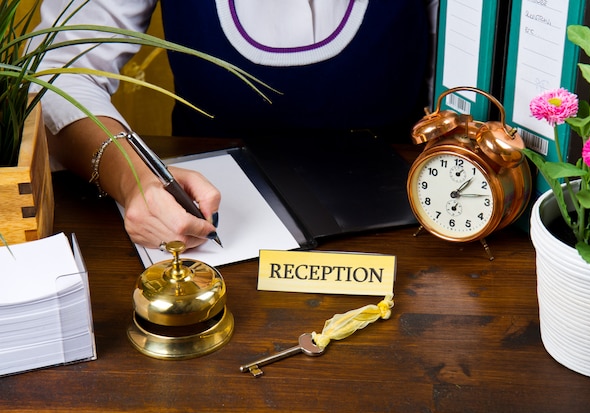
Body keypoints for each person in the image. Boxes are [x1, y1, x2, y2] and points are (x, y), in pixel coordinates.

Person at [31, 0, 437, 249]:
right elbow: (56, 73)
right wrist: (134, 179)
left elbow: (474, 83)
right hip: (202, 234)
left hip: (423, 229)